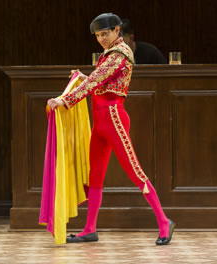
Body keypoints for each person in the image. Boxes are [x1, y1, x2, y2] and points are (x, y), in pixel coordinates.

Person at [47, 13, 175, 245]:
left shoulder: (120, 53)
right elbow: (100, 80)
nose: (101, 39)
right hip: (102, 121)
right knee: (95, 175)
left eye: (105, 33)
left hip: (113, 118)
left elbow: (96, 81)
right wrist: (81, 78)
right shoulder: (110, 55)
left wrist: (65, 100)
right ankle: (90, 228)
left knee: (135, 172)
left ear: (117, 31)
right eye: (97, 35)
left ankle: (164, 222)